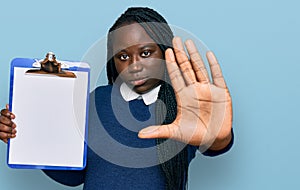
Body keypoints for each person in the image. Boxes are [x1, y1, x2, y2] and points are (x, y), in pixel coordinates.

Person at [0, 7, 233, 190]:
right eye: (123, 56)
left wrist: (219, 137)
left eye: (145, 53)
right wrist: (24, 139)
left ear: (164, 50)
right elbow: (75, 176)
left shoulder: (182, 105)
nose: (134, 65)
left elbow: (215, 143)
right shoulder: (95, 101)